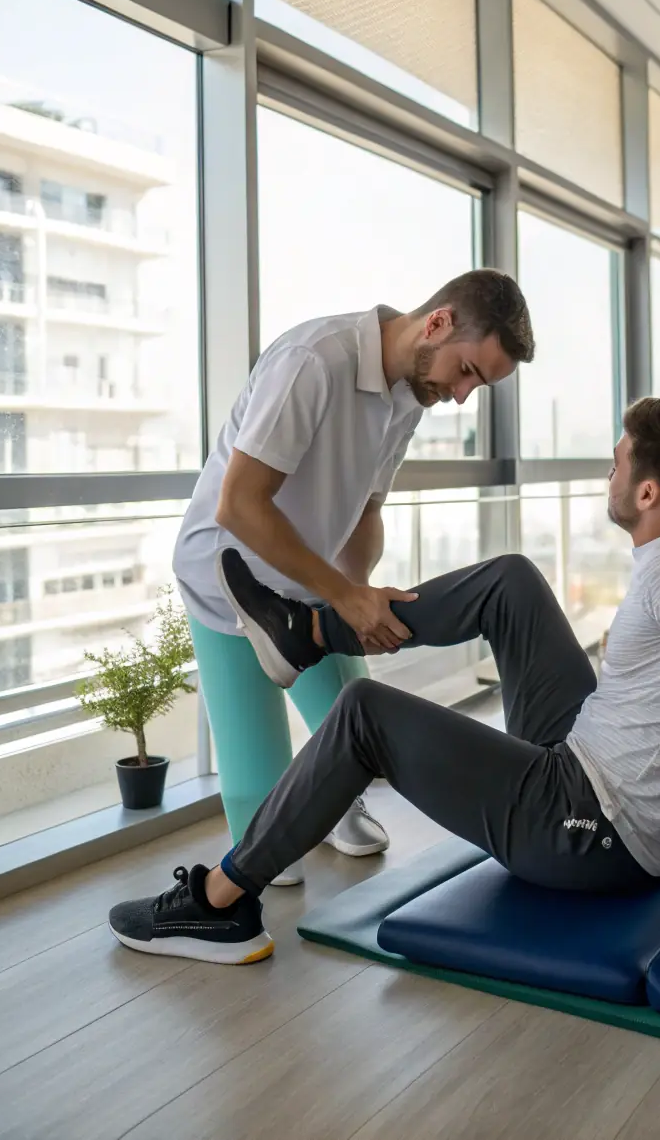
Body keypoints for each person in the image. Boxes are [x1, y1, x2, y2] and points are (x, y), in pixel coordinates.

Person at [113, 395, 660, 972]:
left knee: (363, 714)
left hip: (586, 827)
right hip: (586, 758)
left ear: (650, 493)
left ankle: (219, 901)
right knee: (512, 581)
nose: (611, 470)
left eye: (621, 459)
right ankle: (311, 630)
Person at [171, 270, 534, 885]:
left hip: (308, 579)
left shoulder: (409, 397)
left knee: (358, 731)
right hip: (230, 578)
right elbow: (240, 505)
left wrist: (356, 593)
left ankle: (334, 801)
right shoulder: (313, 362)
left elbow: (366, 510)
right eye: (468, 371)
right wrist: (345, 597)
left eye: (479, 384)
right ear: (438, 323)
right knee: (270, 852)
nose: (463, 395)